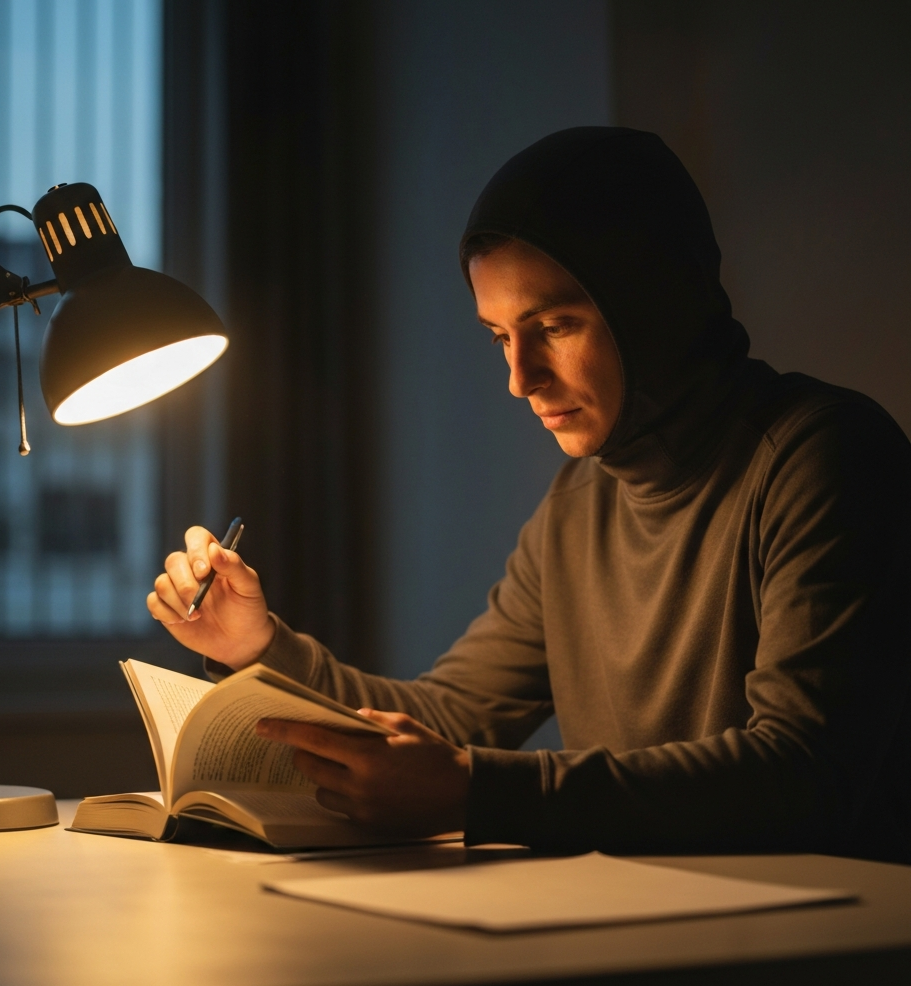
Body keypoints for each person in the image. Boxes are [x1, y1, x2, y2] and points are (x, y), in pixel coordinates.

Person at [148, 127, 911, 862]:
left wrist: (481, 791)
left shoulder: (822, 457)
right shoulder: (580, 501)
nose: (521, 379)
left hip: (830, 953)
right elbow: (454, 717)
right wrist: (257, 649)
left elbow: (804, 771)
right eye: (499, 337)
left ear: (655, 301)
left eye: (554, 325)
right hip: (657, 924)